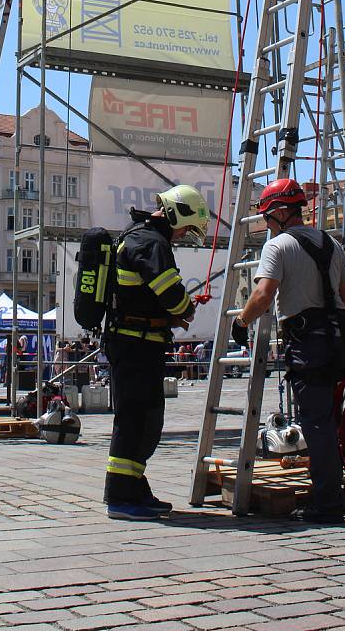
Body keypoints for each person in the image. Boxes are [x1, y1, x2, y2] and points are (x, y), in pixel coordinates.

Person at [231, 178, 345, 523]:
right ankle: (331, 491)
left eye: (269, 217)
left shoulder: (278, 246)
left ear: (283, 212)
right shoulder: (333, 244)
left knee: (316, 423)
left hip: (308, 342)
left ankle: (328, 504)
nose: (267, 225)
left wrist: (241, 322)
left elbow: (263, 295)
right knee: (328, 419)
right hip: (338, 339)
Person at [103, 184, 209, 521]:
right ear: (177, 213)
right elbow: (171, 293)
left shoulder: (140, 236)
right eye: (186, 228)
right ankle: (121, 496)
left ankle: (133, 487)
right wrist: (186, 308)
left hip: (138, 341)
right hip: (136, 344)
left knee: (144, 418)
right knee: (136, 419)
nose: (183, 236)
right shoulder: (151, 242)